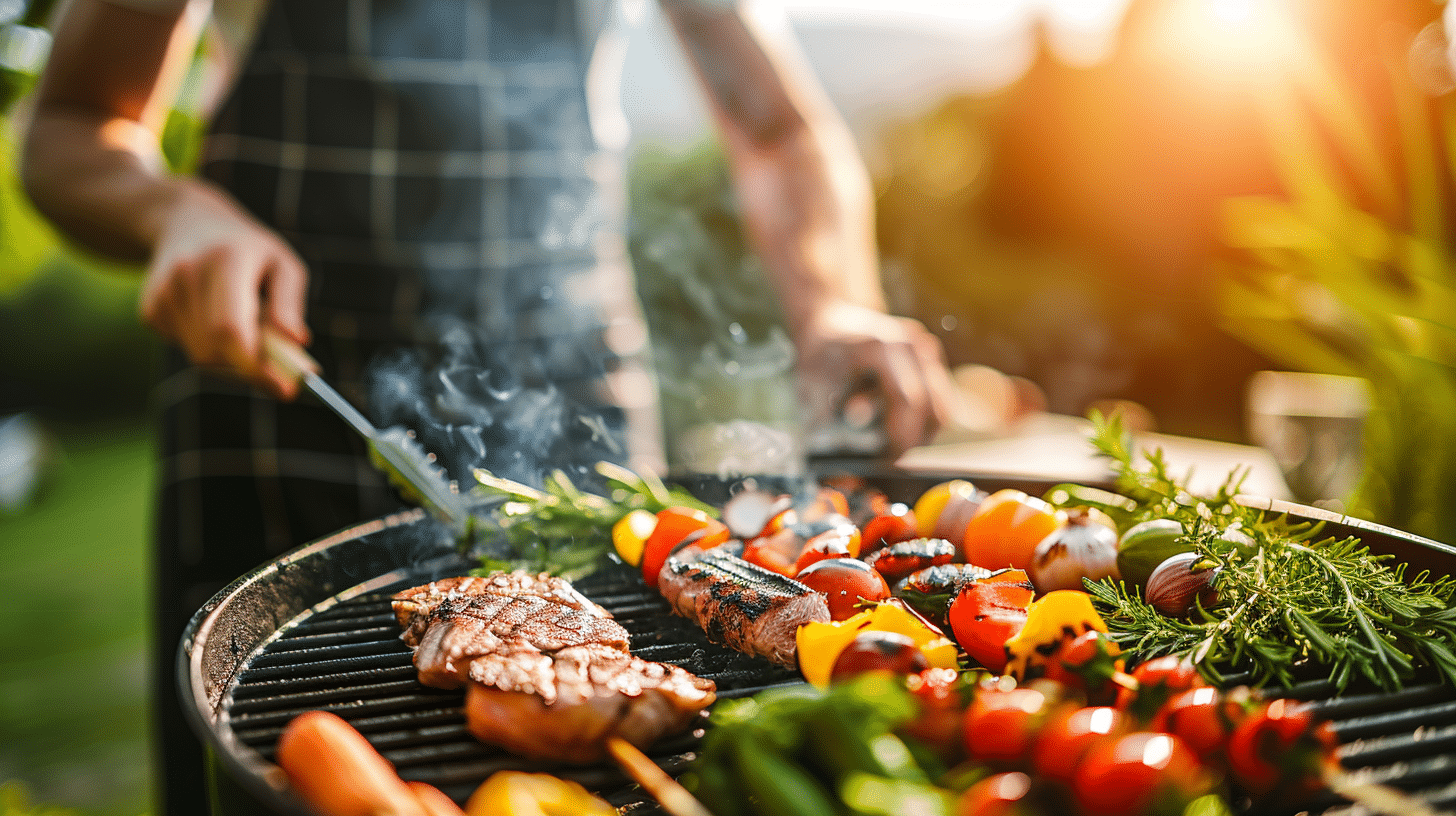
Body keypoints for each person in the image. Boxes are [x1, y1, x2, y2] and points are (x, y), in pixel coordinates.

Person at [21, 0, 968, 812]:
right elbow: (69, 123)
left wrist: (831, 301)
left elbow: (779, 130)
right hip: (282, 360)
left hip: (568, 375)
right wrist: (170, 211)